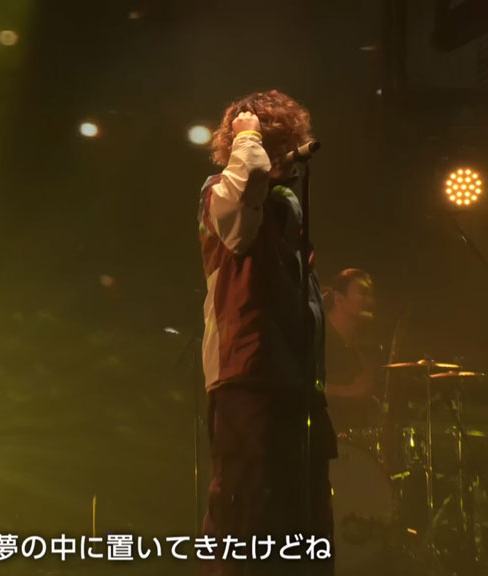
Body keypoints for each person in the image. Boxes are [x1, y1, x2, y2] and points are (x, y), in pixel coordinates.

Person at [197, 90, 335, 576]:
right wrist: (248, 136)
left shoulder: (286, 206)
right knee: (245, 519)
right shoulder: (222, 190)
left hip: (294, 385)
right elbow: (242, 215)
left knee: (301, 526)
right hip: (248, 377)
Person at [322, 268, 379, 432]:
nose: (371, 301)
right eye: (363, 293)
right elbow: (296, 384)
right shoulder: (316, 336)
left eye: (371, 295)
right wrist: (348, 391)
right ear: (339, 299)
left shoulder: (359, 343)